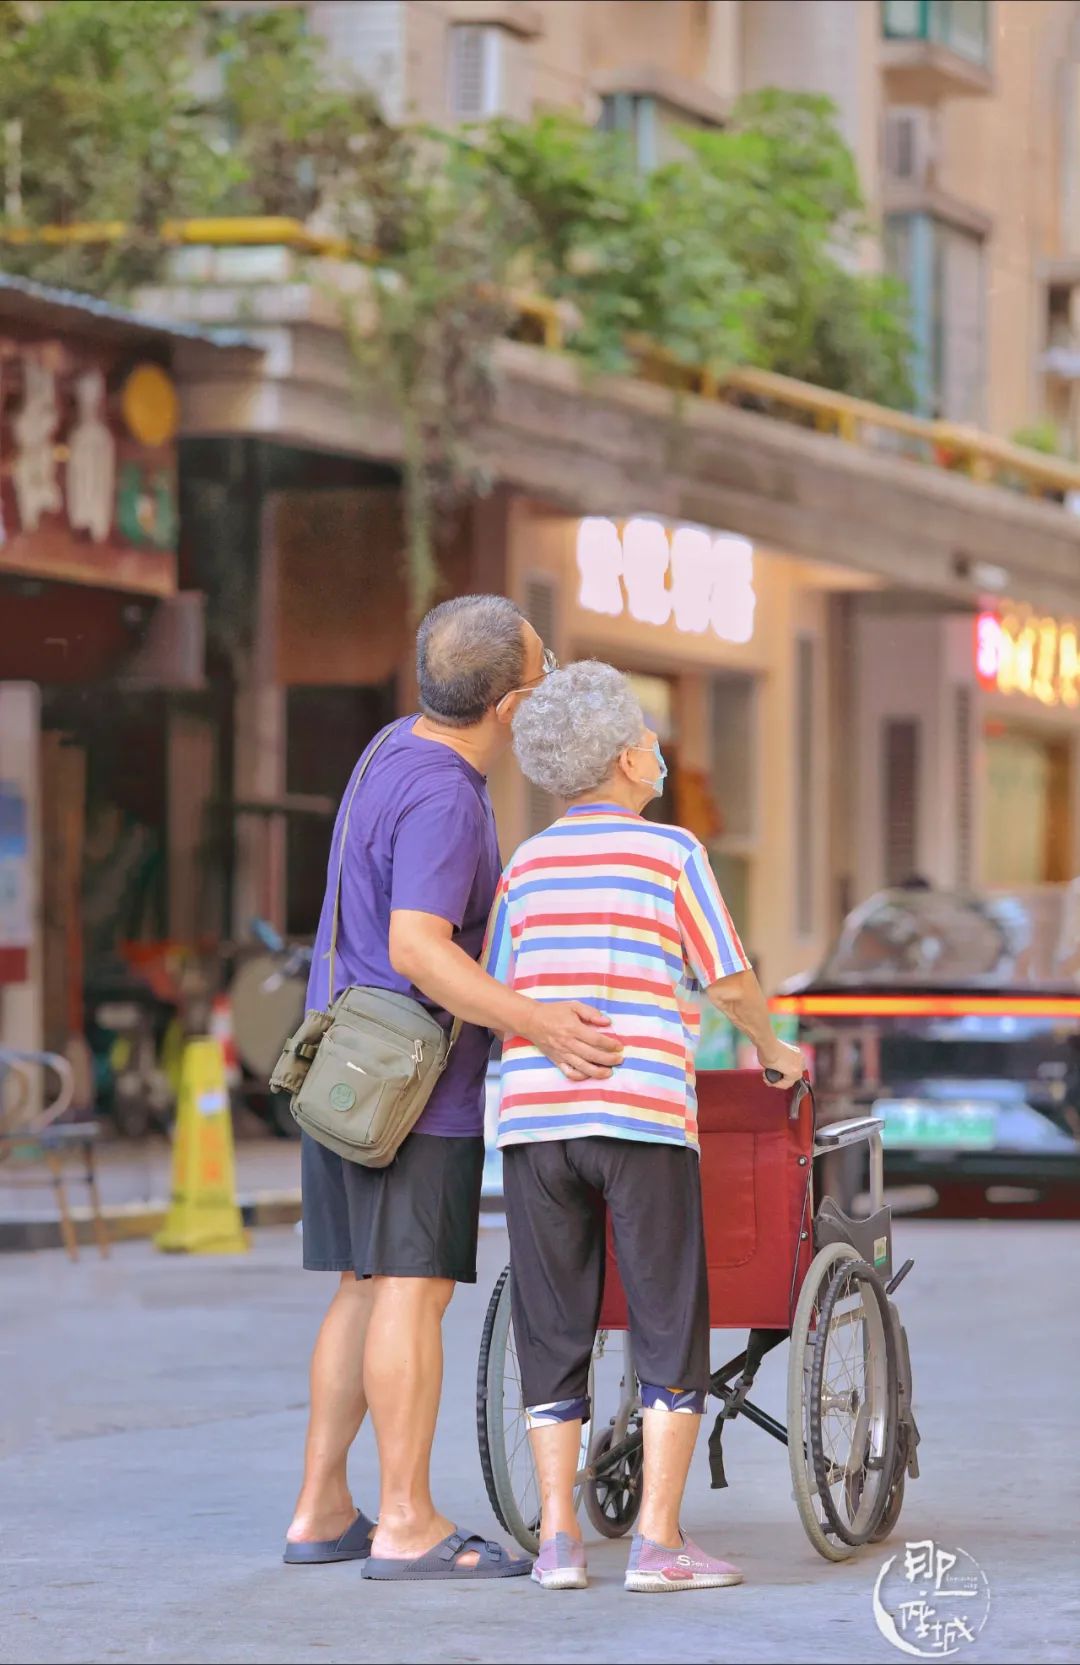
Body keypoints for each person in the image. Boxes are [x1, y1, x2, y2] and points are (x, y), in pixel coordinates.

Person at [283, 598, 623, 1582]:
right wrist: (539, 1020)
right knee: (411, 1291)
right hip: (411, 1088)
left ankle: (321, 1507)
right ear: (512, 706)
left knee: (360, 1285)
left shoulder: (393, 746)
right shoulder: (444, 796)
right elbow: (418, 948)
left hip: (345, 1067)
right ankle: (404, 1520)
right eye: (544, 668)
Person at [481, 660, 804, 1594]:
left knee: (552, 1321)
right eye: (651, 739)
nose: (660, 752)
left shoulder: (527, 863)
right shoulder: (672, 855)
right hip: (643, 1118)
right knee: (667, 1314)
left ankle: (558, 1541)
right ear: (629, 757)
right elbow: (728, 975)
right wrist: (771, 1047)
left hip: (537, 1122)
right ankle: (658, 1543)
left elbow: (503, 990)